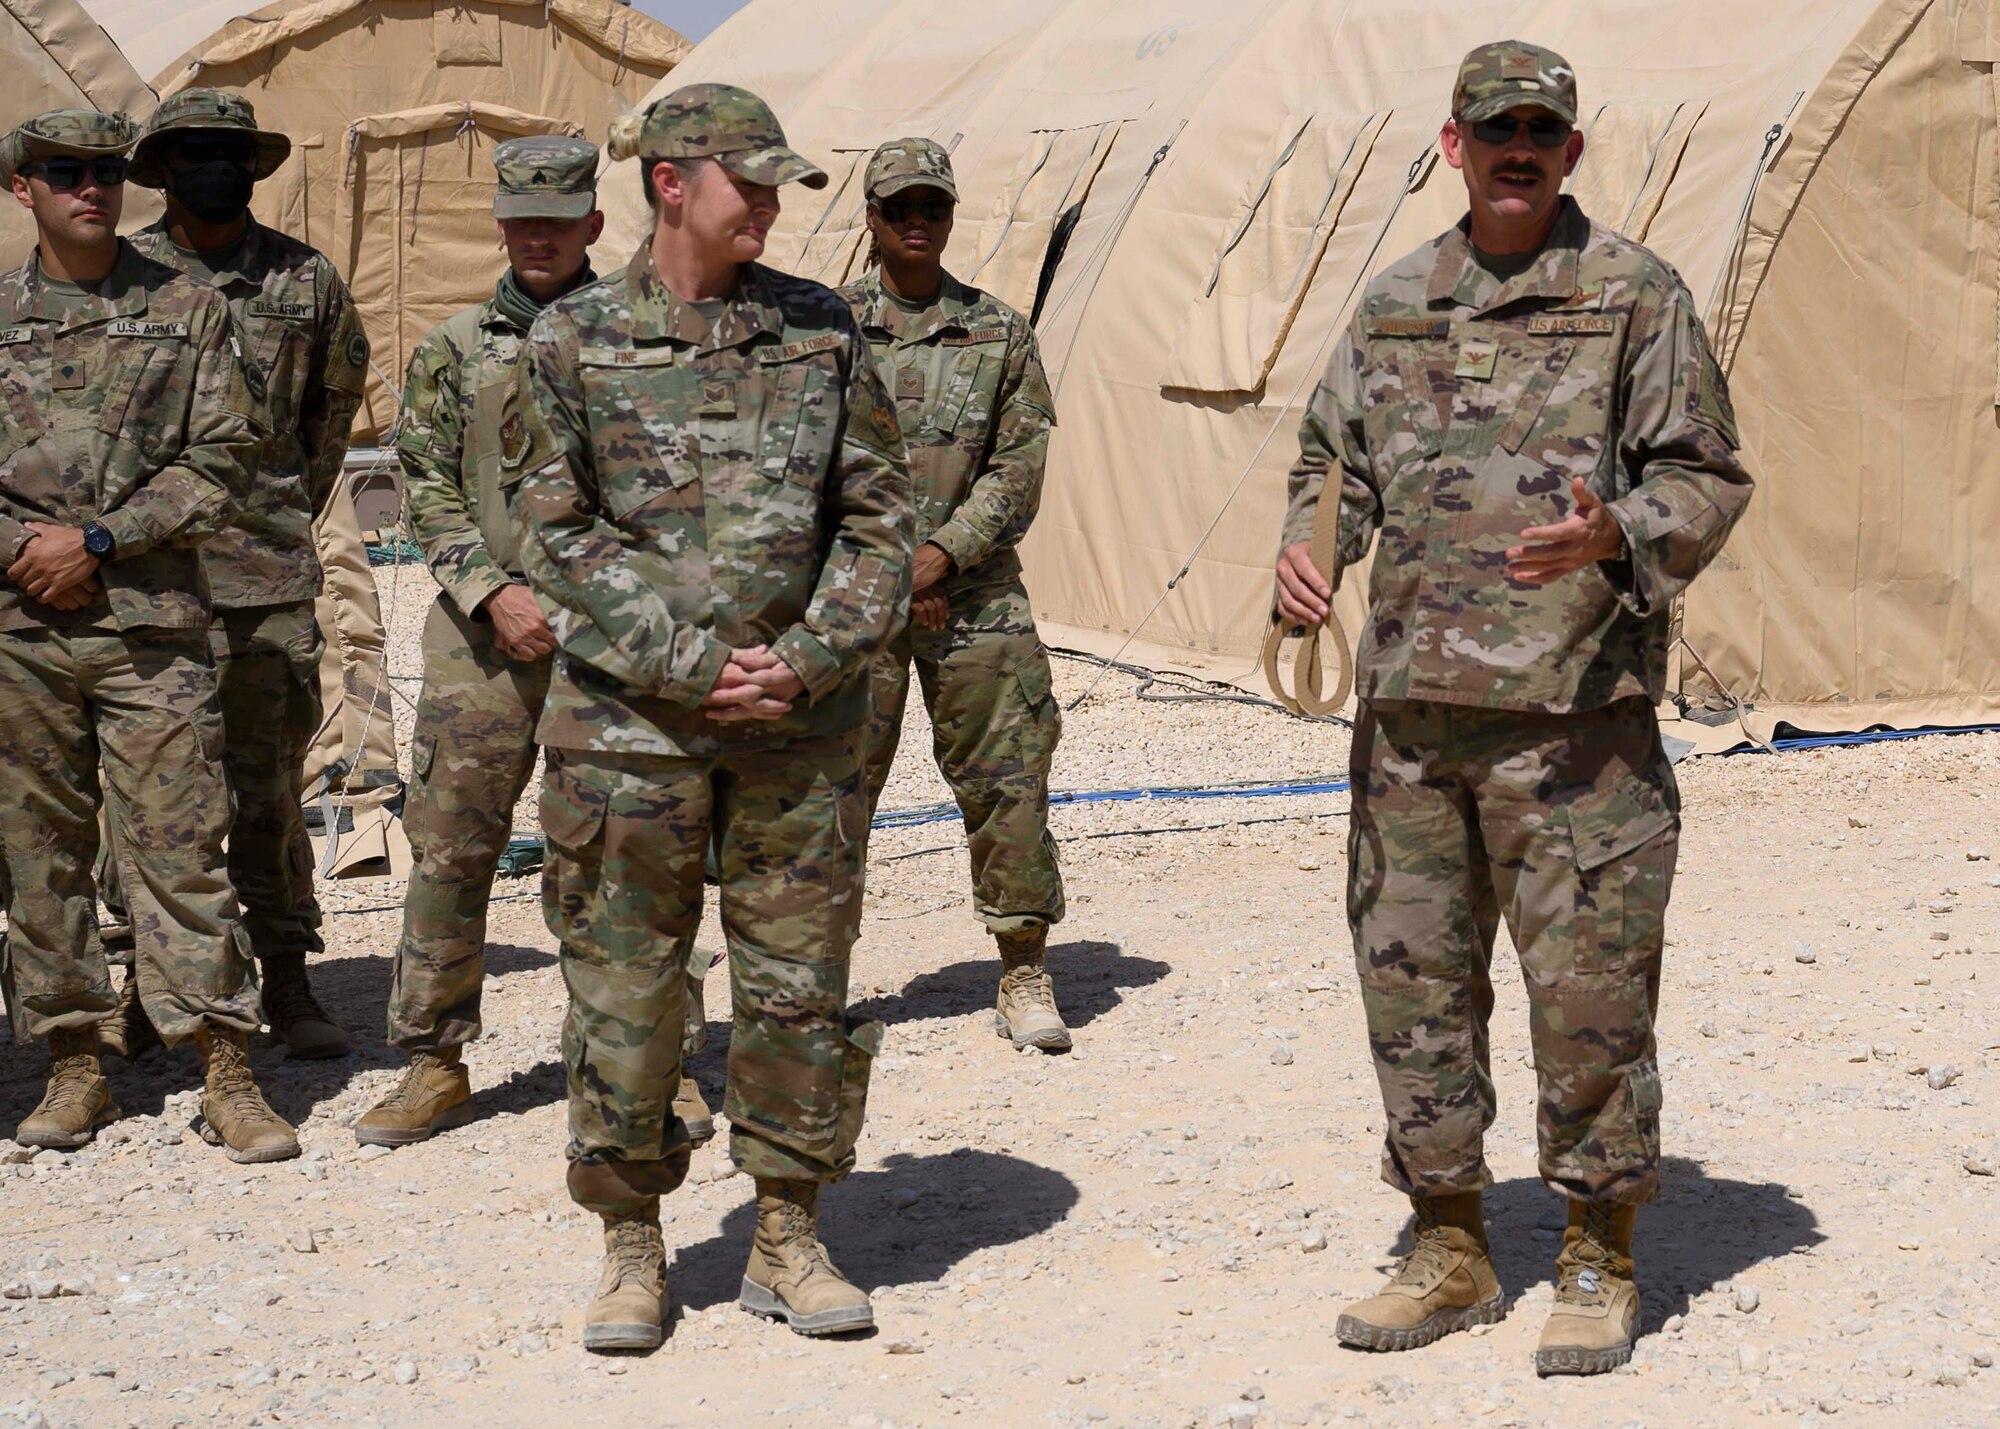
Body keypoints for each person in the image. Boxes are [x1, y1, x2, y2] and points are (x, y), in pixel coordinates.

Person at [1271, 42, 1753, 1375]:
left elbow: (1706, 474)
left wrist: (1620, 533)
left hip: (1573, 728)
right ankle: (1449, 1241)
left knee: (1587, 994)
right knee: (1413, 986)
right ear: (1455, 144)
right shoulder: (1393, 304)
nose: (1519, 147)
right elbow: (1334, 458)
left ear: (1573, 151)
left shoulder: (1633, 300)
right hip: (1412, 726)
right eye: (1497, 129)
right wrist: (1314, 546)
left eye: (1543, 128)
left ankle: (1597, 1250)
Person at [506, 82, 911, 1351]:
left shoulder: (820, 329)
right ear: (671, 182)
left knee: (798, 989)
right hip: (628, 734)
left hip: (798, 725)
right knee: (625, 992)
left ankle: (787, 1229)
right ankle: (632, 1244)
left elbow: (882, 518)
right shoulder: (569, 341)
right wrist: (690, 661)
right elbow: (551, 534)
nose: (775, 207)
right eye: (753, 183)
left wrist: (807, 655)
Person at [355, 136, 714, 1149]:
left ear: (595, 226)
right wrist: (488, 589)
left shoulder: (648, 339)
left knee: (630, 855)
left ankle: (653, 1061)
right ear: (501, 228)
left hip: (611, 643)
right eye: (521, 220)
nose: (539, 236)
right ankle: (433, 1061)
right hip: (484, 640)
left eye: (558, 219)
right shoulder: (454, 349)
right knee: (450, 846)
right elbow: (422, 486)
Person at [0, 109, 297, 1162]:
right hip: (21, 630)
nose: (93, 188)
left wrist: (98, 538)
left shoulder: (187, 306)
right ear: (22, 187)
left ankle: (224, 1062)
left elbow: (224, 461)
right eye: (65, 172)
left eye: (106, 171)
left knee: (181, 844)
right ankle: (75, 1059)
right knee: (40, 854)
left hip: (152, 626)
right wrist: (22, 550)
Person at [88, 89, 370, 1063]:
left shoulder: (304, 282)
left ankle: (287, 980)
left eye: (229, 153)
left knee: (266, 793)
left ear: (254, 166)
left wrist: (270, 511)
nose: (214, 167)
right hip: (146, 579)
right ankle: (144, 980)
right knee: (146, 793)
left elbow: (329, 420)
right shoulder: (118, 279)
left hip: (266, 582)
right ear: (163, 168)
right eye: (194, 152)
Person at [838, 139, 1069, 1052]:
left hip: (974, 597)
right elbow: (804, 460)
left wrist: (945, 553)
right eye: (901, 208)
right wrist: (898, 564)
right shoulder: (829, 331)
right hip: (856, 598)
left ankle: (1021, 967)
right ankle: (814, 984)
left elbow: (1018, 466)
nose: (919, 221)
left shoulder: (998, 332)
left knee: (1009, 779)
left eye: (932, 205)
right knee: (829, 792)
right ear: (872, 220)